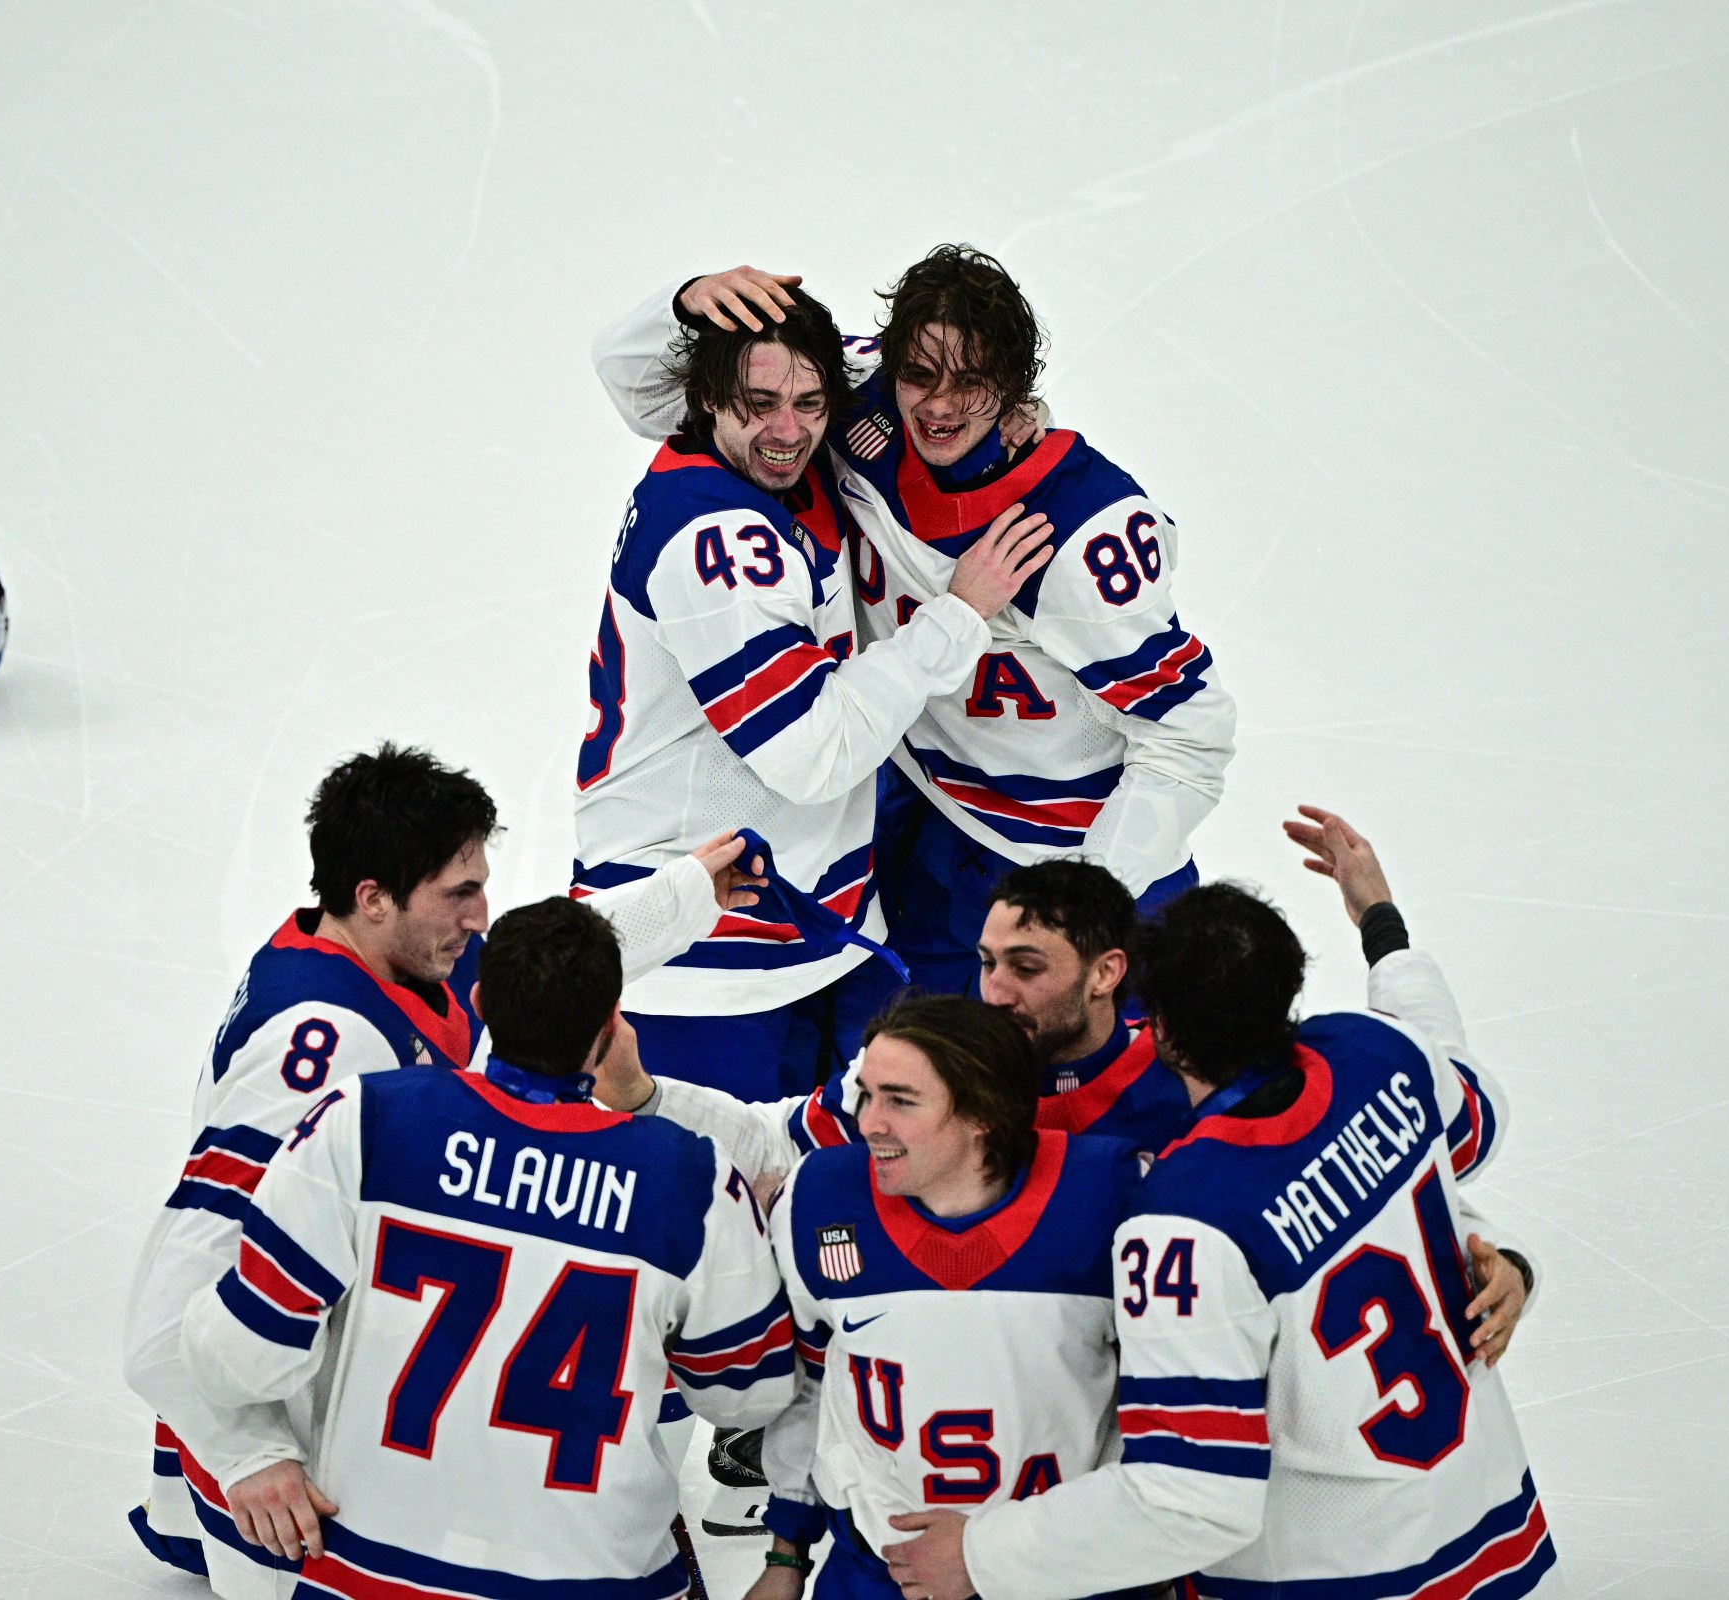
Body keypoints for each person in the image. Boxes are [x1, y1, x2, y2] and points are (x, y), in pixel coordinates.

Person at [122, 743, 755, 1589]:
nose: (481, 917)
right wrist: (252, 1456)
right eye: (459, 894)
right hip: (293, 1495)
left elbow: (528, 981)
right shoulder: (324, 1050)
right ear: (373, 897)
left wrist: (679, 898)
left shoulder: (383, 959)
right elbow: (167, 1316)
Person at [881, 811, 1553, 1600]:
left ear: (1154, 1022)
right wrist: (1380, 921)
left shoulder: (1184, 1221)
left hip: (1326, 1575)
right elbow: (1440, 1133)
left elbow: (1193, 1497)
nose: (994, 990)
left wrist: (983, 1555)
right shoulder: (1381, 1055)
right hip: (1504, 1540)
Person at [593, 247, 1237, 996]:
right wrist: (685, 301)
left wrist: (1090, 900)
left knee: (1110, 1102)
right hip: (927, 827)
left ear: (1015, 384)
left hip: (1067, 854)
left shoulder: (1079, 536)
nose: (938, 405)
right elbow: (650, 398)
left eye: (973, 383)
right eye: (921, 376)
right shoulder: (843, 403)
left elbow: (1192, 737)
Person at [179, 897, 799, 1599]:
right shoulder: (691, 1179)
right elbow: (750, 1394)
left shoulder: (366, 1120)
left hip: (369, 1573)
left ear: (478, 1001)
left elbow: (237, 1356)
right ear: (611, 1028)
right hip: (594, 1578)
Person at [575, 281, 1057, 1104]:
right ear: (704, 401)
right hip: (702, 970)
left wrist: (1004, 408)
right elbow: (813, 754)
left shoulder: (791, 434)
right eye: (759, 403)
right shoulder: (715, 545)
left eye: (808, 401)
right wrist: (958, 616)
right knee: (723, 1215)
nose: (789, 430)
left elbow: (916, 379)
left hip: (820, 934)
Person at [745, 994, 1145, 1600]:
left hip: (1067, 1575)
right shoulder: (819, 1199)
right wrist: (787, 1552)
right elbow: (811, 1380)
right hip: (876, 1575)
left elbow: (1170, 1398)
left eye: (900, 1101)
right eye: (867, 1095)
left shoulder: (1111, 1196)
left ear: (984, 1113)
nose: (868, 1123)